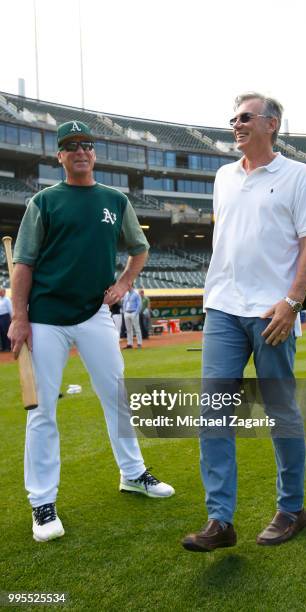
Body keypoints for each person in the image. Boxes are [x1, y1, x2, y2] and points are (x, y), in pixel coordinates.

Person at [9, 120, 174, 543]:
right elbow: (23, 264)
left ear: (93, 153)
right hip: (46, 316)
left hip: (94, 315)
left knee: (117, 395)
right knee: (42, 410)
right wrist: (19, 317)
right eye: (70, 146)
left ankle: (133, 473)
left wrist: (122, 286)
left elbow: (140, 249)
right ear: (60, 156)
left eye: (86, 145)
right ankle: (42, 502)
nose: (80, 151)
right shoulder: (43, 202)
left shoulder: (115, 200)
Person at [182, 92, 306, 552]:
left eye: (245, 117)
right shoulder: (223, 177)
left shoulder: (297, 175)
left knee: (280, 410)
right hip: (223, 307)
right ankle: (220, 520)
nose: (236, 125)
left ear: (272, 124)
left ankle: (292, 508)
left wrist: (291, 301)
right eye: (233, 119)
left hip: (272, 312)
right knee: (214, 411)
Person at [0, 286, 12, 351]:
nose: (0, 293)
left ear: (4, 292)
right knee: (1, 332)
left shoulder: (7, 299)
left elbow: (10, 309)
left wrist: (12, 317)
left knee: (6, 332)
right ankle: (3, 347)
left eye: (1, 291)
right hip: (0, 317)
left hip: (5, 317)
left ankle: (8, 347)